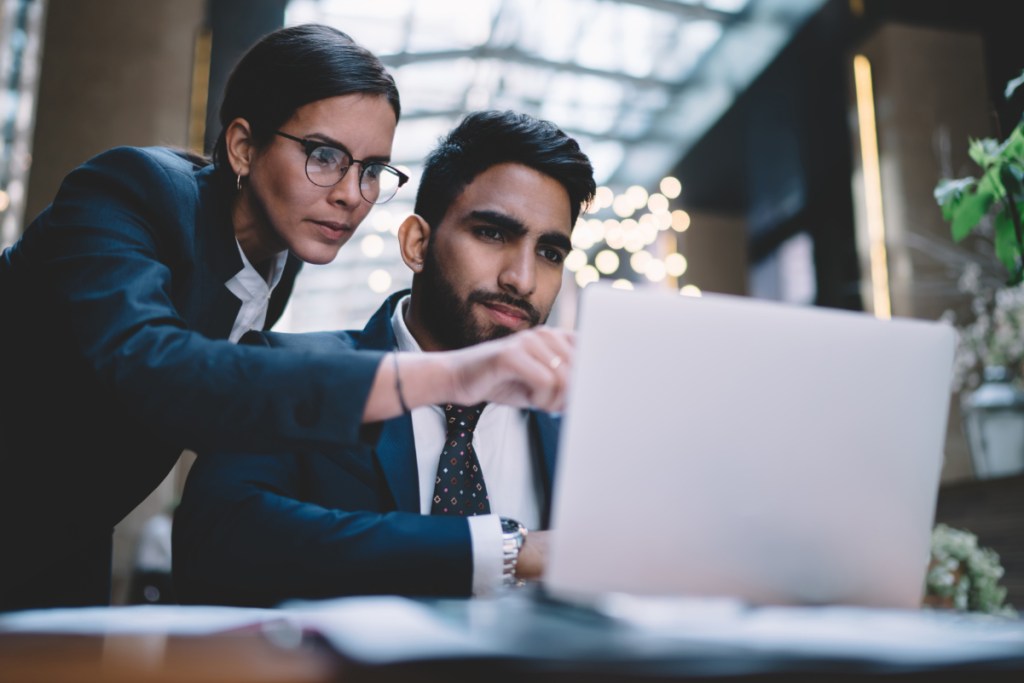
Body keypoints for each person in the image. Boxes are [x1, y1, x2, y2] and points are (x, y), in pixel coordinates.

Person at [0, 26, 571, 612]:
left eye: (372, 169)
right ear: (243, 147)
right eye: (325, 156)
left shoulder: (279, 259)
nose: (352, 193)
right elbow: (154, 368)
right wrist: (444, 377)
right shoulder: (131, 192)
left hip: (67, 537)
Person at [172, 110, 596, 606]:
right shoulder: (287, 367)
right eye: (492, 233)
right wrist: (505, 551)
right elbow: (214, 544)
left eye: (549, 253)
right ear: (417, 243)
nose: (522, 279)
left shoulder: (580, 422)